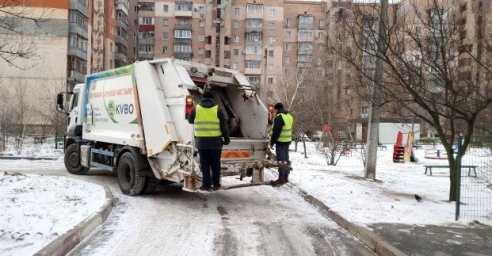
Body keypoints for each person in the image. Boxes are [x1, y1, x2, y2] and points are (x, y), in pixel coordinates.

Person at [188, 90, 230, 191]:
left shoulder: (196, 108)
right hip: (215, 142)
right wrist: (226, 138)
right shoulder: (218, 109)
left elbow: (190, 120)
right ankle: (216, 184)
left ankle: (206, 185)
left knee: (205, 164)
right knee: (215, 164)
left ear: (203, 98)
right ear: (212, 99)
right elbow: (224, 126)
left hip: (202, 143)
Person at [270, 102, 294, 186]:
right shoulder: (289, 116)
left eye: (275, 110)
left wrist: (272, 142)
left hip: (281, 142)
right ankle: (286, 177)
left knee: (281, 160)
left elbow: (276, 132)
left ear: (277, 109)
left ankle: (281, 179)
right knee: (286, 159)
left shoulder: (279, 117)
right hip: (287, 141)